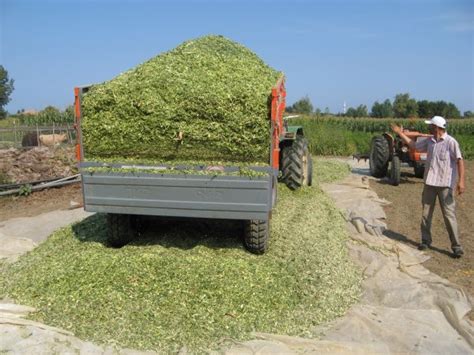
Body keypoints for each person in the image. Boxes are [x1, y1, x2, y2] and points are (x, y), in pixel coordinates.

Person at [391, 116, 465, 258]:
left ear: (437, 127)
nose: (429, 128)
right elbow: (413, 145)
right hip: (430, 183)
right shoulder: (429, 141)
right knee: (426, 214)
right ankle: (426, 241)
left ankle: (456, 246)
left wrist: (461, 182)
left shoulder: (451, 142)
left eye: (430, 126)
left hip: (445, 185)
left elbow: (460, 161)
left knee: (449, 216)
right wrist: (400, 133)